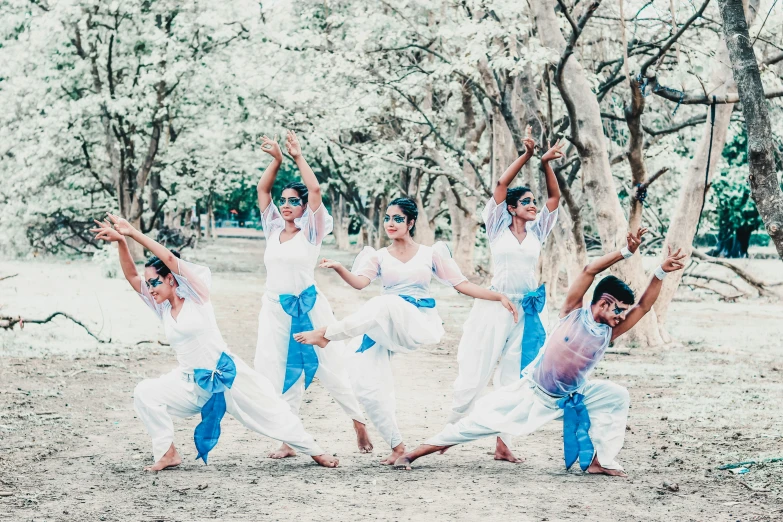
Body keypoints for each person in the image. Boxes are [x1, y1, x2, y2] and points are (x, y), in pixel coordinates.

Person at [395, 229, 687, 476]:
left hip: (572, 396)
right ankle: (414, 453)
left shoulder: (609, 332)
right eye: (619, 310)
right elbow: (590, 270)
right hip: (532, 393)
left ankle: (600, 461)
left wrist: (660, 271)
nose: (623, 317)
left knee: (616, 395)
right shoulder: (573, 313)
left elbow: (643, 307)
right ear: (605, 302)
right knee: (477, 424)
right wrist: (624, 251)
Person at [91, 214, 339, 471]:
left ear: (171, 279)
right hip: (190, 384)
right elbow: (132, 277)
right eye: (149, 283)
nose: (150, 287)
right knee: (145, 392)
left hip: (226, 375)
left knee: (271, 413)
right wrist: (121, 242)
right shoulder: (161, 307)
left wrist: (133, 233)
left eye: (155, 282)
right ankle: (167, 453)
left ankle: (315, 451)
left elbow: (169, 259)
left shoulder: (197, 295)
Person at [293, 197, 519, 465]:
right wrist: (340, 267)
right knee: (364, 380)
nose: (391, 223)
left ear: (411, 222)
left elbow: (461, 284)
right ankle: (397, 445)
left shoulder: (430, 253)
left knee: (385, 302)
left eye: (398, 219)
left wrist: (497, 297)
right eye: (387, 218)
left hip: (418, 323)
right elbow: (359, 283)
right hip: (387, 324)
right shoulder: (378, 256)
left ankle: (326, 334)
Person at [448, 128, 565, 463]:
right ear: (512, 208)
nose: (533, 206)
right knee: (477, 370)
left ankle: (503, 443)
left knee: (513, 377)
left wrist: (545, 164)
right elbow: (500, 186)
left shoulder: (538, 231)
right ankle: (448, 433)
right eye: (527, 202)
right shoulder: (497, 226)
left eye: (533, 202)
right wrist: (526, 156)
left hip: (527, 309)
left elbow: (554, 200)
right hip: (496, 303)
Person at [253, 131, 371, 459]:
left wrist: (296, 157)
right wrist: (275, 161)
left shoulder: (312, 230)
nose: (287, 205)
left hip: (309, 305)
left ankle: (357, 420)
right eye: (285, 200)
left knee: (329, 364)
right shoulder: (273, 228)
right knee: (278, 368)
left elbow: (316, 189)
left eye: (294, 201)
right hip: (275, 309)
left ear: (304, 207)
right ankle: (288, 439)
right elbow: (263, 190)